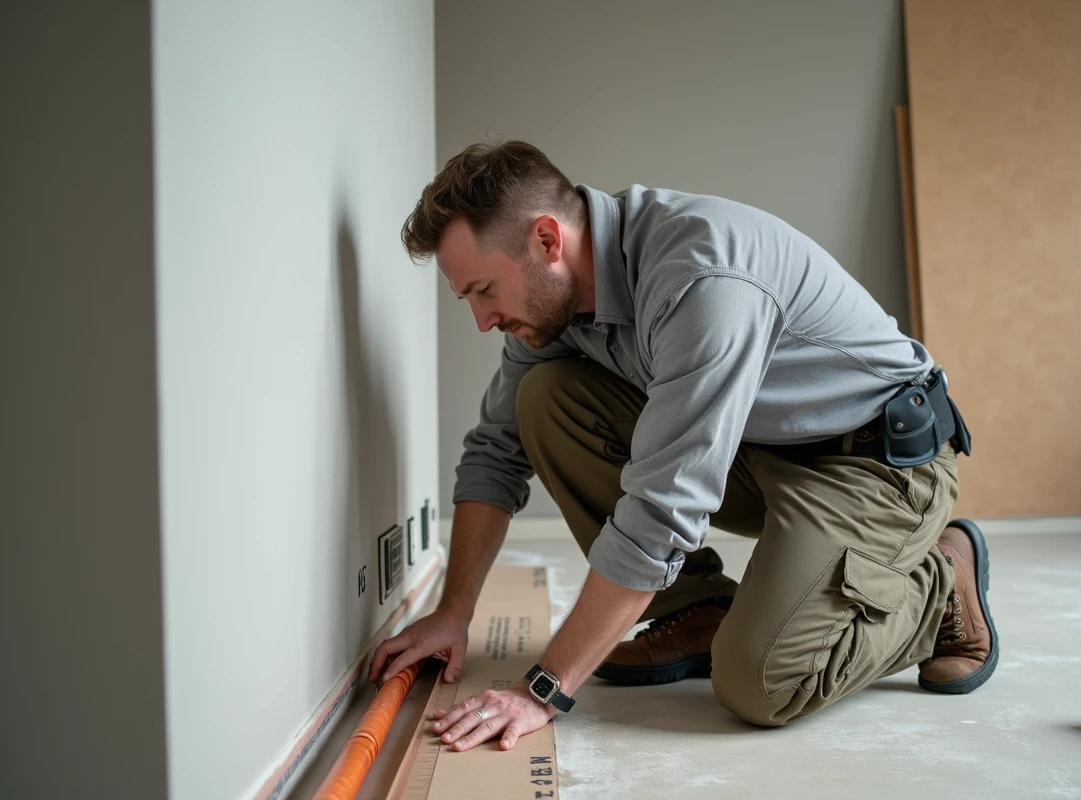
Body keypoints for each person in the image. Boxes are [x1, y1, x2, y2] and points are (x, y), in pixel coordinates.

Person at [368, 140, 998, 753]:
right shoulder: (550, 307)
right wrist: (454, 611)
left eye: (483, 291)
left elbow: (663, 511)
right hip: (758, 450)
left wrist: (543, 691)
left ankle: (942, 580)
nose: (482, 320)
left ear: (546, 240)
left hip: (873, 465)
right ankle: (699, 610)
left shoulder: (699, 277)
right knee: (546, 396)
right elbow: (496, 451)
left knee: (764, 684)